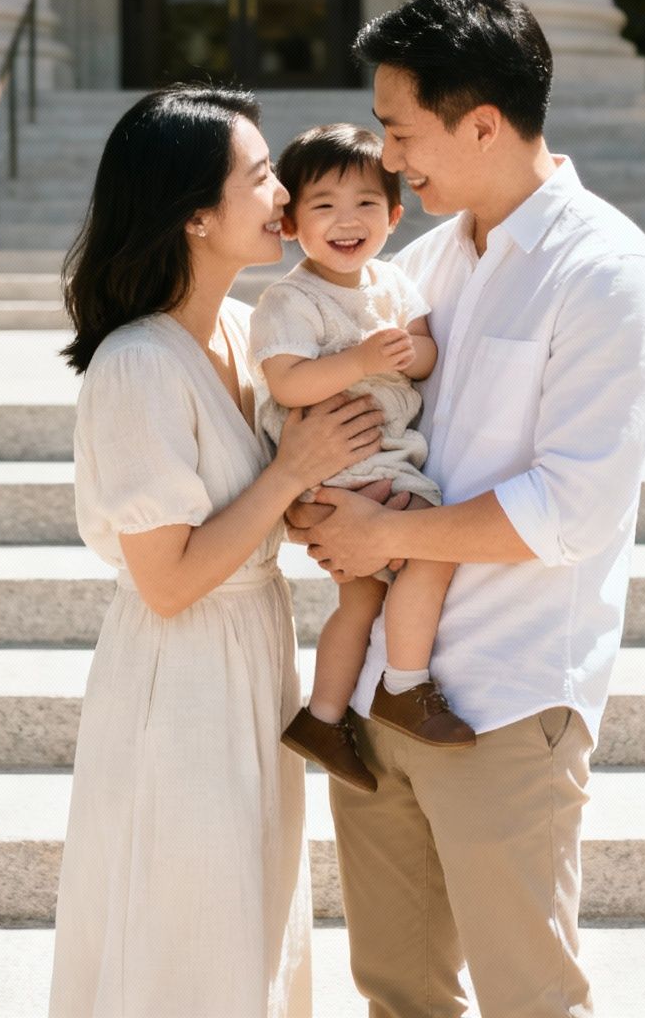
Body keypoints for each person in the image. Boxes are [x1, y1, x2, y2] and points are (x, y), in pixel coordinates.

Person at [289, 0, 645, 1017]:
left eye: (398, 131)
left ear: (481, 124)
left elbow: (570, 507)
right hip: (380, 693)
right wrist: (315, 503)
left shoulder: (606, 275)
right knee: (397, 994)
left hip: (505, 699)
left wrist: (384, 530)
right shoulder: (416, 265)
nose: (384, 162)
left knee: (528, 999)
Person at [47, 84, 387, 1018]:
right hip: (181, 677)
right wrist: (291, 474)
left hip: (253, 651)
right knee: (185, 922)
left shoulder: (245, 332)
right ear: (196, 214)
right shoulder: (136, 365)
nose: (288, 193)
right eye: (263, 174)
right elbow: (166, 582)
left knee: (251, 914)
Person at [253, 123, 475, 798]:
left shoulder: (393, 283)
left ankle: (322, 718)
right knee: (432, 550)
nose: (346, 222)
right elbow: (288, 381)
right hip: (342, 465)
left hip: (379, 460)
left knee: (361, 598)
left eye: (366, 205)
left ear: (395, 215)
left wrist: (416, 354)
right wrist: (360, 361)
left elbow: (424, 351)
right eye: (323, 206)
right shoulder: (291, 299)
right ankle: (404, 686)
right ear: (290, 221)